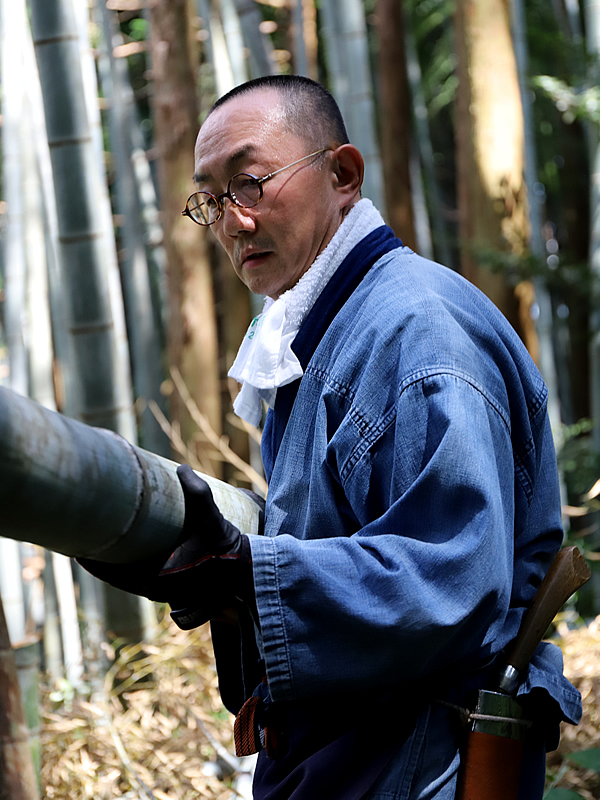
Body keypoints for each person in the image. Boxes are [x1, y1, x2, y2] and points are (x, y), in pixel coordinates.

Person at [82, 75, 581, 799]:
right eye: (213, 199)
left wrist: (248, 573)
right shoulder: (325, 331)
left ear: (342, 173)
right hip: (351, 752)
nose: (232, 221)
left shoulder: (417, 331)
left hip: (419, 760)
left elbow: (454, 580)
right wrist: (202, 559)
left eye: (250, 183)